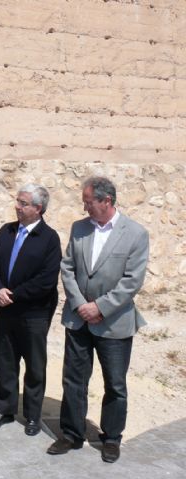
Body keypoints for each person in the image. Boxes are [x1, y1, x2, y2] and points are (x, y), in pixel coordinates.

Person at [47, 176, 149, 463]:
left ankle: (112, 438)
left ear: (107, 201)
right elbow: (67, 268)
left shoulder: (136, 234)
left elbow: (132, 281)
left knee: (114, 384)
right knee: (74, 380)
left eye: (89, 202)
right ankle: (71, 433)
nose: (84, 207)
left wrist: (100, 307)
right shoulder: (79, 228)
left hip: (114, 323)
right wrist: (81, 305)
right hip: (78, 320)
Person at [0, 184, 61, 436]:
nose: (17, 206)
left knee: (35, 365)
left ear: (38, 209)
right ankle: (4, 410)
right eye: (17, 201)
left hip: (34, 313)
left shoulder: (49, 238)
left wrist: (13, 295)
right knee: (4, 361)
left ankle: (32, 416)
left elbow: (47, 280)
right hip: (4, 309)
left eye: (23, 203)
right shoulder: (6, 231)